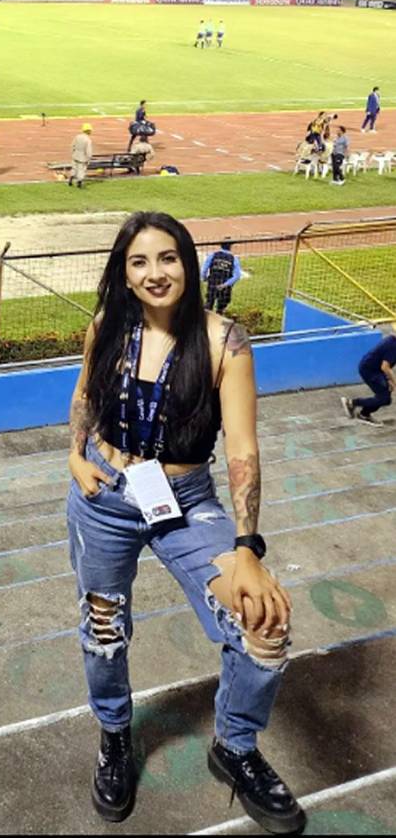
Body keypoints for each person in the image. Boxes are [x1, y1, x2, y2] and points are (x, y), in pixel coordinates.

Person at [67, 212, 304, 833]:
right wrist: (74, 453)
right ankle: (115, 734)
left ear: (189, 262)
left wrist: (248, 547)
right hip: (106, 495)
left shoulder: (226, 342)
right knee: (104, 625)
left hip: (186, 499)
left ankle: (235, 746)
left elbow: (243, 450)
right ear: (123, 272)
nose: (154, 273)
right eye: (139, 261)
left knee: (265, 625)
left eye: (167, 258)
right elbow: (86, 396)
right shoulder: (106, 328)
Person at [341, 325, 396, 425]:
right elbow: (385, 367)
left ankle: (363, 413)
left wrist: (388, 380)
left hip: (374, 369)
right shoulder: (393, 346)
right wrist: (393, 382)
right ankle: (353, 404)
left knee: (385, 398)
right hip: (370, 370)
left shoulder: (392, 340)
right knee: (383, 398)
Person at [201, 240, 242, 315]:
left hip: (213, 283)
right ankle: (219, 318)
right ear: (230, 247)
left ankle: (206, 321)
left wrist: (205, 278)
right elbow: (237, 275)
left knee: (208, 304)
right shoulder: (234, 259)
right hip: (225, 287)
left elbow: (204, 270)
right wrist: (225, 284)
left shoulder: (213, 255)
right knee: (221, 308)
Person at [69, 123, 93, 188]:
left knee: (74, 168)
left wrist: (73, 153)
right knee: (81, 170)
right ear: (88, 131)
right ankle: (79, 182)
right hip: (82, 157)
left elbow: (73, 145)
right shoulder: (88, 140)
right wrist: (89, 158)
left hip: (75, 155)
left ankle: (71, 178)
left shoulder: (77, 136)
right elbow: (88, 151)